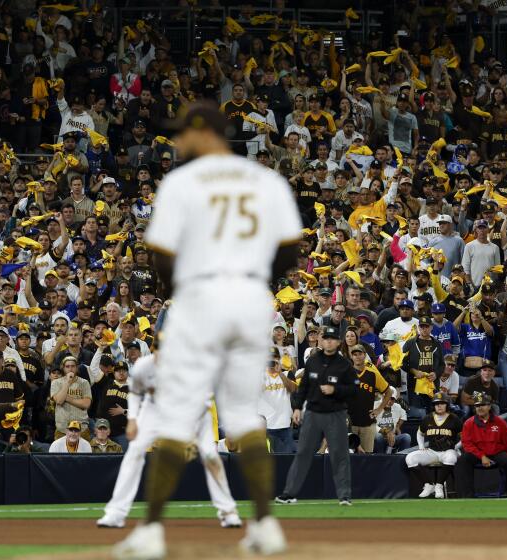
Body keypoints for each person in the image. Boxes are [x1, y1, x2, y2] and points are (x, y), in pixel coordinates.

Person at [113, 103, 300, 559]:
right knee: (241, 417)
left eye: (183, 134)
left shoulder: (183, 182)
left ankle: (151, 531)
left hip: (202, 296)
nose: (178, 143)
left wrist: (185, 286)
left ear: (203, 132)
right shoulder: (266, 180)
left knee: (177, 416)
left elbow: (159, 255)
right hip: (253, 299)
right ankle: (265, 526)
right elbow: (289, 251)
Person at [98, 351, 242, 530]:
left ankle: (228, 511)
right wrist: (133, 419)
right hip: (154, 410)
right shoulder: (145, 365)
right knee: (134, 452)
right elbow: (135, 393)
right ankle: (116, 512)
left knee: (211, 456)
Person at [276, 326, 356, 506]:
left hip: (335, 413)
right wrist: (297, 408)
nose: (328, 341)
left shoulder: (344, 365)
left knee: (339, 455)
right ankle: (289, 493)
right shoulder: (313, 361)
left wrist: (335, 389)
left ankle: (344, 496)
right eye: (325, 338)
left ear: (337, 342)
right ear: (321, 340)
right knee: (303, 453)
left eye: (332, 338)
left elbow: (354, 389)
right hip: (313, 412)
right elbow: (303, 387)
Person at [456, 392, 507, 499]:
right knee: (463, 460)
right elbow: (467, 444)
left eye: (483, 405)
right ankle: (467, 496)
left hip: (497, 452)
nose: (480, 408)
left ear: (489, 406)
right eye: (477, 405)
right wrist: (482, 456)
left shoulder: (500, 422)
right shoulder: (468, 423)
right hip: (477, 453)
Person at [405, 392, 462, 499]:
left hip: (448, 451)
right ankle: (429, 485)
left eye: (442, 403)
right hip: (432, 451)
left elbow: (464, 437)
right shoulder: (428, 418)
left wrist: (456, 447)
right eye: (437, 403)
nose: (439, 406)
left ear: (447, 404)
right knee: (410, 458)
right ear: (433, 405)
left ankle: (439, 485)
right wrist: (421, 445)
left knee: (451, 457)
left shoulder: (454, 418)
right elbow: (419, 433)